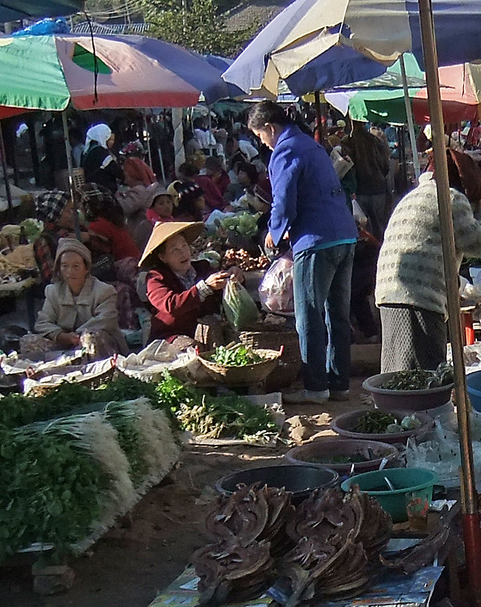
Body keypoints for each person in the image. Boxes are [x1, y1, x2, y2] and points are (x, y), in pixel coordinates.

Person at [249, 101, 359, 403]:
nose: (263, 143)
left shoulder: (286, 150)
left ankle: (315, 387)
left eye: (261, 136)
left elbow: (284, 200)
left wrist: (273, 233)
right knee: (336, 315)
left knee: (309, 315)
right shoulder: (311, 145)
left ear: (270, 128)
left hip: (316, 241)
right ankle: (339, 384)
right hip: (345, 236)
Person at [374, 161, 481, 372]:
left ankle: (393, 406)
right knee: (421, 376)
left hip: (391, 290)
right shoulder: (451, 197)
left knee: (397, 371)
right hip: (418, 294)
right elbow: (478, 243)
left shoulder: (414, 196)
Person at [24, 238, 127, 359]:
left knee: (90, 338)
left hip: (102, 346)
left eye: (76, 266)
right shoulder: (53, 291)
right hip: (64, 345)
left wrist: (78, 335)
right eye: (65, 266)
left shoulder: (104, 291)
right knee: (28, 341)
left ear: (86, 268)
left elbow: (106, 320)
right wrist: (61, 336)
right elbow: (43, 322)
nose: (70, 272)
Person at [139, 220, 236, 342]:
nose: (183, 253)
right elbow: (171, 305)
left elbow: (222, 290)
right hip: (172, 335)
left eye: (184, 245)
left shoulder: (202, 268)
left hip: (207, 331)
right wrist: (205, 288)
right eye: (175, 250)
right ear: (163, 257)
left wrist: (232, 278)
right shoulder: (156, 278)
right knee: (189, 347)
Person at [345, 120, 393, 236]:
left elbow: (348, 169)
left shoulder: (348, 142)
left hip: (360, 190)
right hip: (378, 187)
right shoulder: (375, 140)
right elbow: (385, 166)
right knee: (380, 228)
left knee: (363, 230)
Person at [81, 124, 123, 193]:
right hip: (103, 190)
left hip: (91, 189)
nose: (112, 142)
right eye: (108, 138)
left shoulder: (86, 151)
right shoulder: (100, 151)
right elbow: (114, 169)